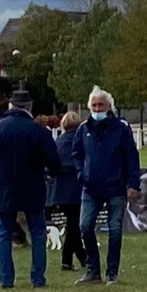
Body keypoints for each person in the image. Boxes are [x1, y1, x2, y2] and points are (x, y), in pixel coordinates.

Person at [0, 90, 61, 289]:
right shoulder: (39, 131)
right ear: (29, 107)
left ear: (10, 106)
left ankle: (6, 278)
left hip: (5, 188)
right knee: (37, 233)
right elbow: (55, 162)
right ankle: (38, 278)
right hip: (33, 187)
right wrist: (47, 175)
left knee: (4, 233)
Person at [72, 86, 141, 286]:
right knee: (84, 226)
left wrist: (133, 184)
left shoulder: (121, 128)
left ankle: (112, 272)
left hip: (116, 188)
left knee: (115, 229)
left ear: (109, 106)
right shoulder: (83, 129)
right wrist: (80, 173)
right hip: (90, 188)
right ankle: (93, 270)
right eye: (94, 105)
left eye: (101, 104)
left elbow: (131, 158)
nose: (97, 108)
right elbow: (76, 155)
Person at [47, 111, 87, 272]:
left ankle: (79, 258)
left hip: (59, 191)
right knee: (74, 226)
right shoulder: (81, 141)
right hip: (76, 190)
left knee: (73, 225)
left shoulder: (57, 142)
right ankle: (71, 259)